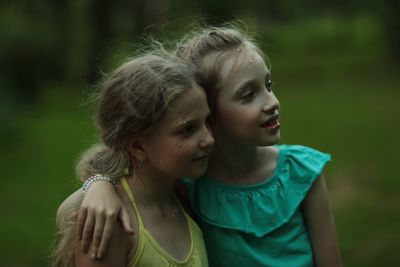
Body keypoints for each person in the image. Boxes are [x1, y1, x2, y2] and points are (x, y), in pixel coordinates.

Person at [58, 25, 342, 266]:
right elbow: (70, 210)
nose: (272, 102)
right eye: (248, 94)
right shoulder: (190, 181)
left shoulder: (302, 172)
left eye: (269, 85)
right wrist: (98, 184)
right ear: (210, 110)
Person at [50, 51, 214, 267]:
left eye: (207, 121)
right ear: (137, 146)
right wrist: (96, 184)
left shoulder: (186, 194)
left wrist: (96, 182)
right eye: (188, 129)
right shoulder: (111, 224)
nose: (209, 139)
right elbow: (64, 211)